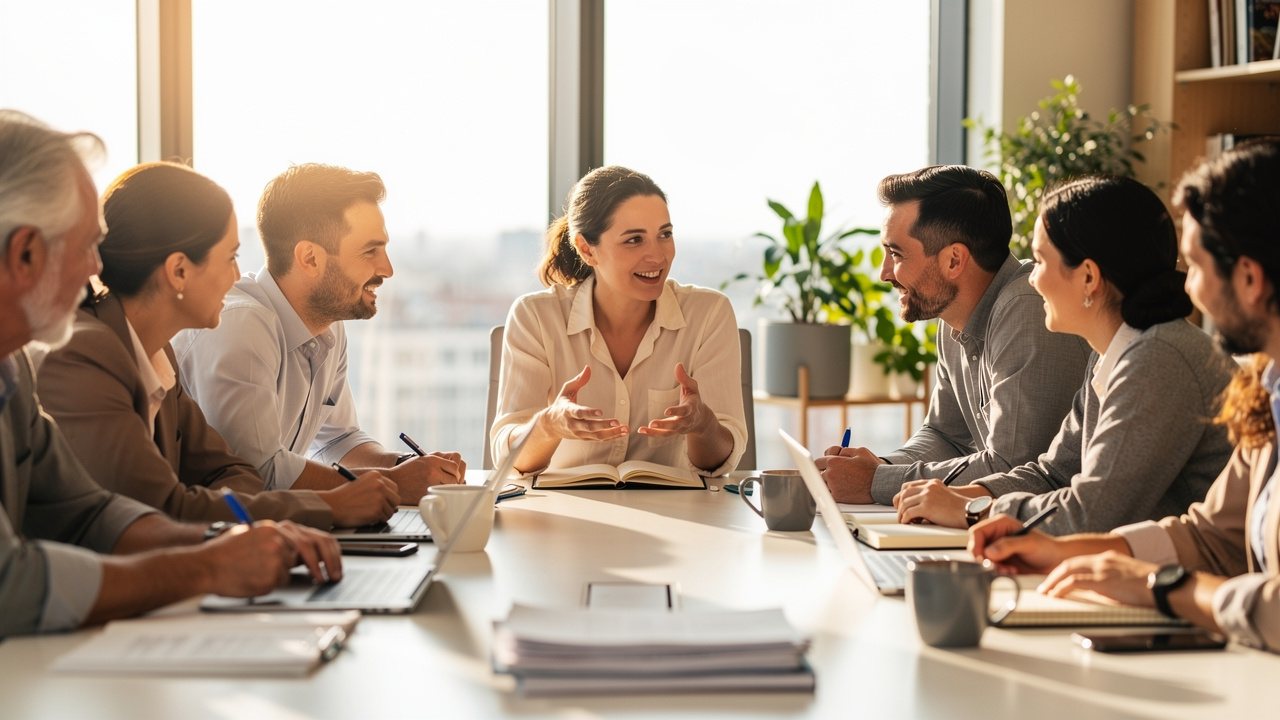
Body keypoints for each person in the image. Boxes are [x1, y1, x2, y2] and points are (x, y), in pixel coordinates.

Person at [0, 110, 339, 637]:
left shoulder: (13, 367)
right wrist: (205, 566)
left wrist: (222, 543)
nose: (98, 268)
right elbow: (10, 583)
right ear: (25, 253)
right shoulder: (80, 353)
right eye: (86, 246)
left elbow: (88, 511)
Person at [970, 139, 1280, 652]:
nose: (1190, 290)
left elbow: (1097, 508)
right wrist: (1072, 551)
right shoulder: (1265, 391)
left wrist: (1163, 585)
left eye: (1197, 266)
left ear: (1249, 277)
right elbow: (1210, 535)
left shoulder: (1161, 355)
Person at [38, 162, 398, 529]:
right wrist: (330, 505)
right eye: (230, 258)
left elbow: (234, 472)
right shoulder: (87, 354)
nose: (236, 277)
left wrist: (231, 508)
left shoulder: (157, 354)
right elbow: (163, 508)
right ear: (179, 271)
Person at [893, 175, 1233, 533]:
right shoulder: (1109, 355)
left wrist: (974, 511)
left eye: (1040, 261)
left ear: (1088, 277)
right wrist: (955, 497)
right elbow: (1052, 475)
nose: (1032, 278)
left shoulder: (1158, 360)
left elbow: (1092, 514)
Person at [171, 163, 463, 504]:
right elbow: (257, 474)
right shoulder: (240, 326)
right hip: (213, 527)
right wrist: (395, 483)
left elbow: (339, 441)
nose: (387, 269)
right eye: (370, 251)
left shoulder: (327, 325)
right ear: (310, 258)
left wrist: (410, 468)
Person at [816, 165, 1091, 504]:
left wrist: (877, 482)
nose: (884, 273)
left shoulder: (1027, 308)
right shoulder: (953, 320)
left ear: (954, 260)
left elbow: (1013, 469)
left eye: (896, 254)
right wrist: (878, 468)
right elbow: (945, 436)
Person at [491, 165, 747, 476]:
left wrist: (702, 424)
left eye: (665, 234)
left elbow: (721, 459)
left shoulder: (709, 314)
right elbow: (509, 459)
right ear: (587, 249)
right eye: (634, 240)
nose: (658, 256)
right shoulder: (535, 317)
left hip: (676, 505)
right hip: (567, 504)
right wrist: (550, 425)